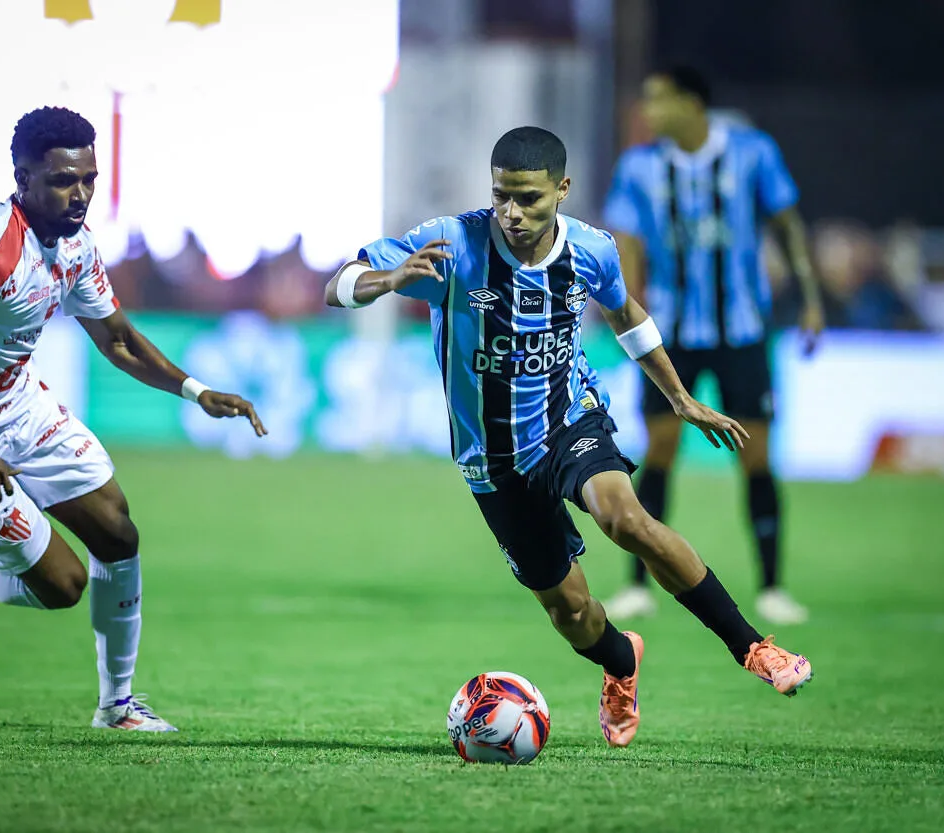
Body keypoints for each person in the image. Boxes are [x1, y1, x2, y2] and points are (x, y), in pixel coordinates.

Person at [325, 126, 813, 749]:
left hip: (568, 423)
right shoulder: (450, 244)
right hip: (491, 457)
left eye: (527, 198)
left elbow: (625, 312)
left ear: (562, 189)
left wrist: (679, 397)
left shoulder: (591, 250)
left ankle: (753, 648)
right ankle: (620, 663)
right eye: (501, 196)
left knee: (625, 518)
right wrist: (387, 283)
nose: (512, 212)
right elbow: (339, 283)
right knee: (571, 610)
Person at [0, 106, 266, 732]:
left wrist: (194, 391)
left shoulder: (75, 242)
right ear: (22, 178)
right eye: (62, 180)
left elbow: (116, 340)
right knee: (62, 585)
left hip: (20, 405)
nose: (79, 194)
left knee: (118, 531)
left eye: (87, 178)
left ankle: (117, 707)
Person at [600, 66, 823, 625]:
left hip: (742, 330)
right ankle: (637, 585)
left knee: (757, 456)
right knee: (658, 452)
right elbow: (625, 240)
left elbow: (788, 223)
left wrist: (811, 297)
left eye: (658, 100)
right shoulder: (640, 166)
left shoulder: (753, 153)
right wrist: (622, 310)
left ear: (691, 103)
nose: (648, 111)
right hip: (667, 332)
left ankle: (772, 587)